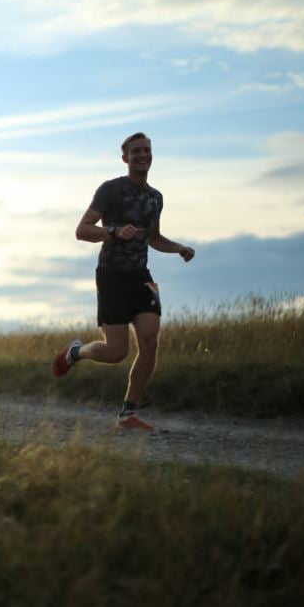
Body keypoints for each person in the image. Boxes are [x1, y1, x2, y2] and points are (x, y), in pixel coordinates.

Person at [52, 133, 195, 430]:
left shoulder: (156, 198)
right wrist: (114, 231)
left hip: (140, 275)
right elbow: (82, 230)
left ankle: (128, 413)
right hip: (111, 275)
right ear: (125, 158)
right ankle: (76, 352)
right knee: (116, 352)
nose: (143, 155)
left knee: (150, 340)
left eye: (147, 150)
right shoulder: (111, 189)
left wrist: (178, 248)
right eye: (136, 151)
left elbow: (153, 238)